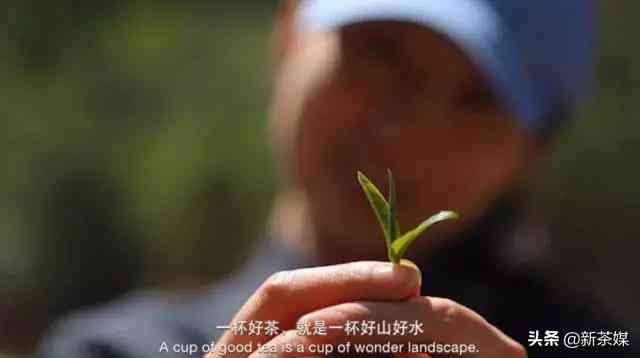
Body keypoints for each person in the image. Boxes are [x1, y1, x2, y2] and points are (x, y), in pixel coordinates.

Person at [37, 1, 635, 357]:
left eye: (477, 99)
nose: (407, 127)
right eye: (380, 52)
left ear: (534, 150)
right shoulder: (111, 349)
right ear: (291, 27)